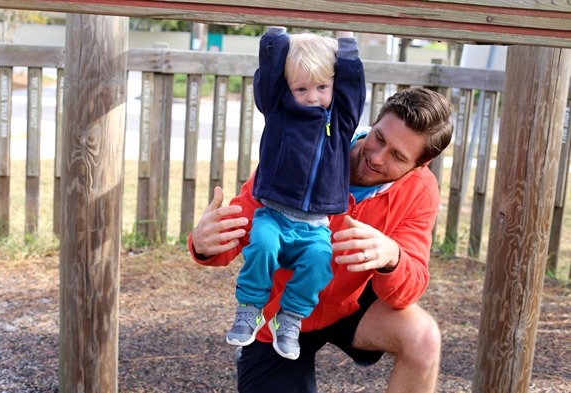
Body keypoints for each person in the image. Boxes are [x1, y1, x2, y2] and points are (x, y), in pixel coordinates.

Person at [188, 87, 454, 392]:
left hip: (350, 303)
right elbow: (238, 228)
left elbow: (407, 290)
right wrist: (203, 243)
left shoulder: (421, 189)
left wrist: (393, 256)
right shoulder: (308, 149)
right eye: (379, 138)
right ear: (375, 121)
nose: (378, 157)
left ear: (422, 163)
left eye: (397, 156)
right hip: (284, 310)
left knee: (424, 338)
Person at [224, 26, 366, 360]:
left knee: (320, 263)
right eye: (301, 88)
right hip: (273, 215)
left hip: (315, 225)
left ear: (332, 85)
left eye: (321, 87)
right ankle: (249, 308)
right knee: (261, 245)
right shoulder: (278, 111)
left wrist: (346, 40)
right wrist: (275, 34)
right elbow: (269, 74)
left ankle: (289, 319)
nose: (313, 96)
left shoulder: (340, 122)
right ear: (287, 88)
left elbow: (352, 85)